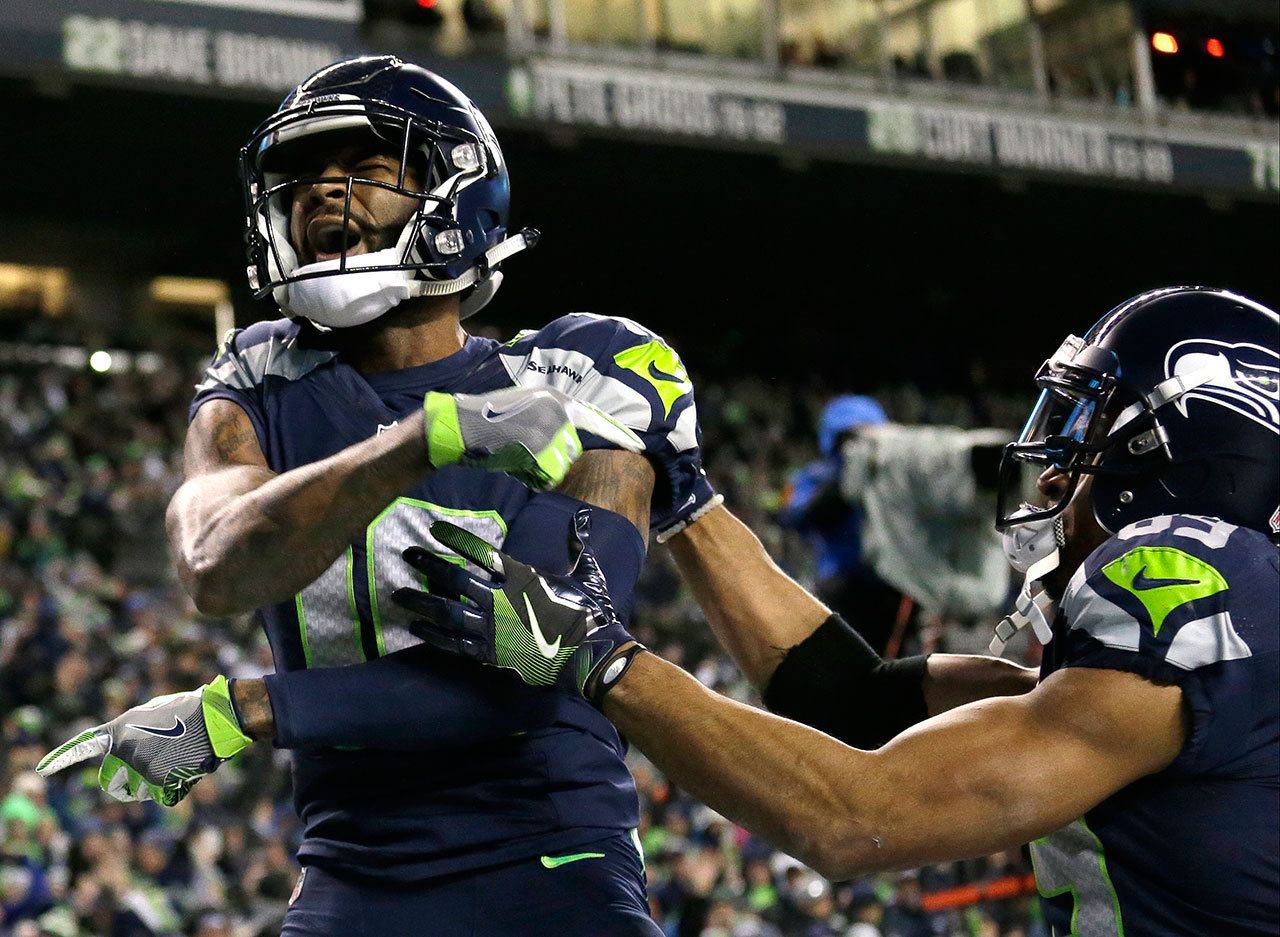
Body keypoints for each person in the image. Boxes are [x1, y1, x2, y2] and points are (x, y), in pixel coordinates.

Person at [38, 54, 719, 937]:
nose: (323, 190)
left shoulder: (585, 371)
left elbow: (549, 657)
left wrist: (246, 709)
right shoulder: (261, 374)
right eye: (305, 177)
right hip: (350, 869)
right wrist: (420, 441)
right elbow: (213, 564)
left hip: (545, 859)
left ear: (456, 190)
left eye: (364, 165)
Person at [389, 287, 1278, 935]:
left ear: (1185, 451)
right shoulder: (1183, 661)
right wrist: (686, 503)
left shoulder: (1197, 582)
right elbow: (851, 701)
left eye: (1084, 439)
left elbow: (858, 818)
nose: (1051, 473)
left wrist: (599, 658)